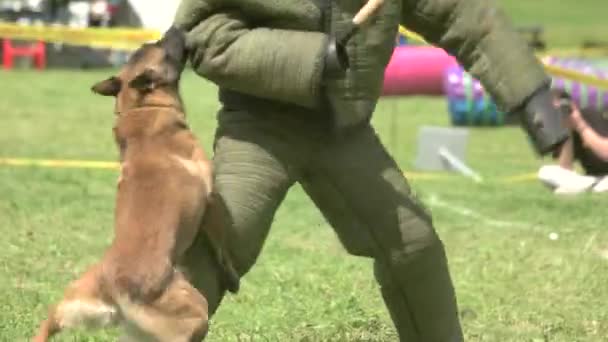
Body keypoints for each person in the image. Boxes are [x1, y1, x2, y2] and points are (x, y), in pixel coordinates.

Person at [165, 1, 570, 341]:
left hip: (344, 130)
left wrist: (530, 95)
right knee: (221, 241)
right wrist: (308, 57)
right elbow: (200, 31)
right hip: (260, 126)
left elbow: (460, 16)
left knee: (414, 246)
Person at [538, 91, 608, 194]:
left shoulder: (586, 118)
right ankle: (590, 185)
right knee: (545, 172)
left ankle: (586, 187)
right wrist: (567, 130)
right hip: (593, 178)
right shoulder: (583, 118)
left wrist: (581, 126)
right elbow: (566, 169)